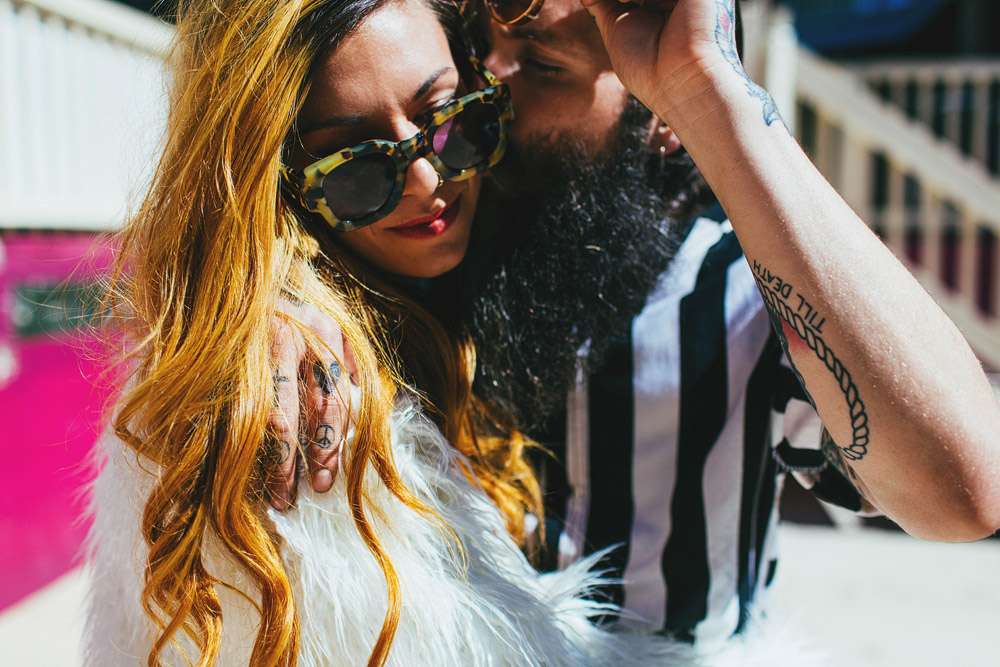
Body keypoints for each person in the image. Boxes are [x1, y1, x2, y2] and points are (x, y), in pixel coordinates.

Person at [269, 0, 1000, 650]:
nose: (485, 90)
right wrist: (283, 302)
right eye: (477, 52)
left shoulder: (737, 292)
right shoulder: (400, 240)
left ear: (661, 120)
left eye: (543, 68)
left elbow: (962, 494)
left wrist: (707, 88)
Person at [82, 0, 732, 664]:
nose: (427, 182)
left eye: (450, 118)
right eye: (356, 168)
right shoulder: (298, 404)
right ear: (278, 187)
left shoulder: (491, 267)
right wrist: (269, 302)